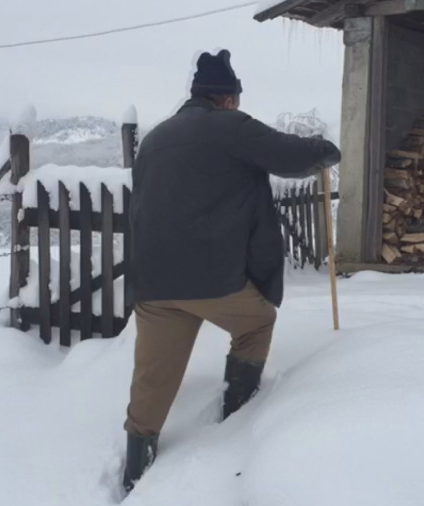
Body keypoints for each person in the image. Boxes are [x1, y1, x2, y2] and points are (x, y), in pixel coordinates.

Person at [123, 49, 341, 492]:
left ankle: (135, 466)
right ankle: (239, 415)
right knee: (258, 322)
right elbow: (291, 155)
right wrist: (325, 150)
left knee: (152, 375)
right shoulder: (230, 128)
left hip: (154, 282)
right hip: (212, 278)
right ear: (227, 99)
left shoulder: (155, 137)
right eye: (237, 99)